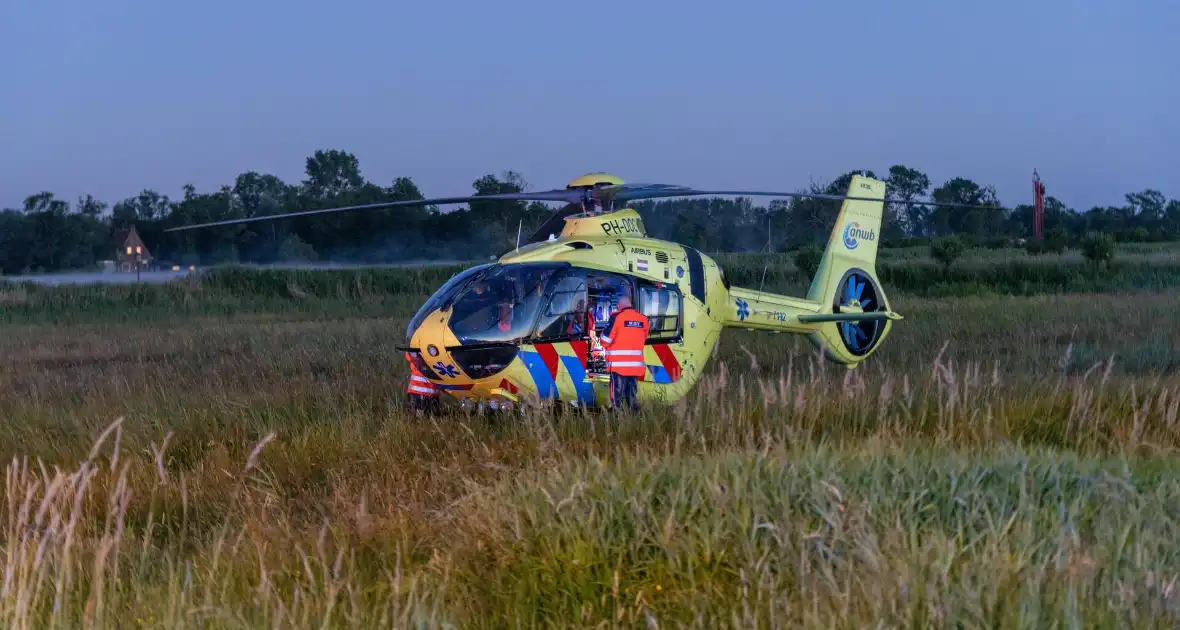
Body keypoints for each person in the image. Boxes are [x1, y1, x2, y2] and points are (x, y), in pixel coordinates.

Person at [598, 295, 648, 411]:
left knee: (617, 400)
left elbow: (605, 341)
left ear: (619, 306)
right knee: (632, 397)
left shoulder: (617, 318)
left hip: (619, 366)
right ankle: (633, 420)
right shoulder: (643, 319)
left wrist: (602, 334)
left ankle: (618, 421)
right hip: (635, 366)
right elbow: (643, 338)